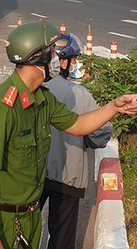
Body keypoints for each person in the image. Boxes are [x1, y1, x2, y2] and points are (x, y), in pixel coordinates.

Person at [0, 21, 137, 249]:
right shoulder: (2, 105)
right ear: (38, 56)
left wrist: (114, 107)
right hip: (2, 219)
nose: (56, 58)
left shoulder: (43, 98)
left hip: (29, 218)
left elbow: (77, 124)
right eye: (53, 52)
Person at [40, 33, 111, 249]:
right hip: (68, 177)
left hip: (37, 174)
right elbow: (100, 136)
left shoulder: (38, 90)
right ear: (64, 61)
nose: (75, 64)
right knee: (62, 237)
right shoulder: (82, 94)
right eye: (74, 59)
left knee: (26, 229)